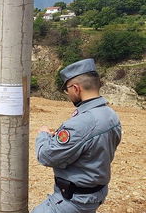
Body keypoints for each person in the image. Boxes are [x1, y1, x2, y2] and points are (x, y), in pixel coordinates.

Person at [31, 59, 122, 213]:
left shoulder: (81, 123)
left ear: (76, 88)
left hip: (75, 200)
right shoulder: (110, 114)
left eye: (67, 90)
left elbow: (46, 156)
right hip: (96, 193)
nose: (68, 94)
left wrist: (43, 135)